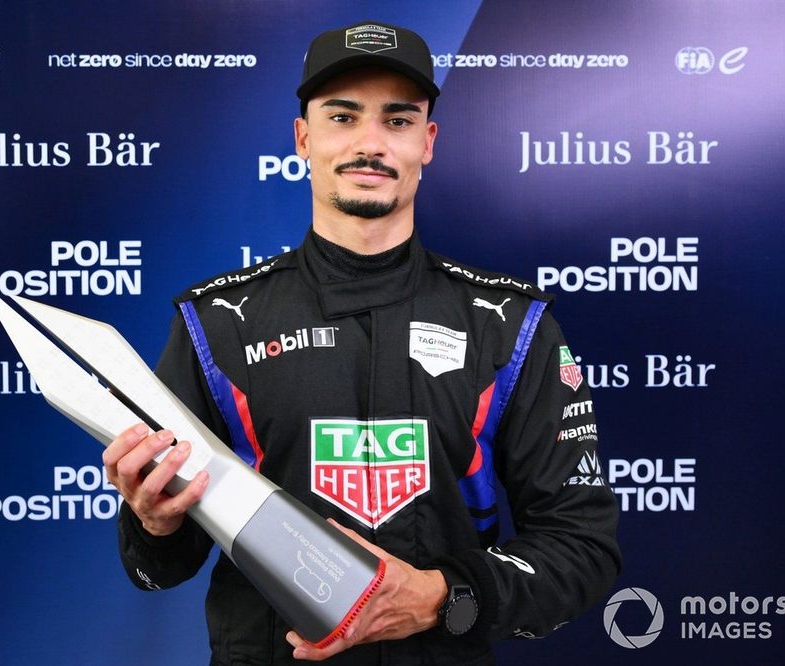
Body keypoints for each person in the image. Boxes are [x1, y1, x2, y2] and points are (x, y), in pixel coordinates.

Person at [103, 20, 620, 666]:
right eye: (343, 117)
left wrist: (440, 597)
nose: (370, 143)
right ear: (303, 138)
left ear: (428, 142)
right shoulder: (219, 325)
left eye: (397, 121)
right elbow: (160, 569)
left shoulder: (507, 327)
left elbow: (584, 546)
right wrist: (153, 524)